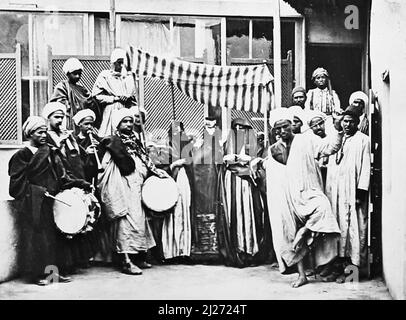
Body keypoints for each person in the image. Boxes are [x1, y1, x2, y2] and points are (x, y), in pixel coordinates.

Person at [252, 107, 343, 287]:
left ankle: (307, 231)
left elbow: (330, 147)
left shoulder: (306, 140)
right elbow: (273, 172)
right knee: (289, 232)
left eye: (285, 126)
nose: (282, 131)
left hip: (307, 192)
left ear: (291, 125)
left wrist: (338, 130)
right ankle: (302, 275)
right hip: (286, 198)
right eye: (278, 129)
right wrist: (258, 163)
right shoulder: (273, 150)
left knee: (323, 207)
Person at [8, 116, 91, 285]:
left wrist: (81, 183)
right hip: (34, 204)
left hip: (53, 201)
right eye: (39, 132)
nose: (44, 135)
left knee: (54, 239)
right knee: (37, 240)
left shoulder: (51, 152)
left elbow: (62, 176)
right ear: (30, 134)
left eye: (45, 131)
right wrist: (38, 191)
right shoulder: (21, 156)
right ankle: (37, 275)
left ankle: (53, 274)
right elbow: (16, 186)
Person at [97, 108, 168, 275]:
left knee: (139, 218)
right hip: (122, 183)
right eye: (125, 122)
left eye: (130, 121)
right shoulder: (112, 141)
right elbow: (106, 166)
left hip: (136, 183)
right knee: (125, 219)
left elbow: (144, 158)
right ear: (117, 124)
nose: (129, 124)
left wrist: (157, 171)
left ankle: (138, 256)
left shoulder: (134, 139)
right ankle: (125, 260)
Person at [325, 105, 371, 283]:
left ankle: (353, 273)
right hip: (337, 192)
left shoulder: (363, 140)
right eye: (345, 121)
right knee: (339, 231)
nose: (347, 125)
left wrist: (360, 193)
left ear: (357, 124)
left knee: (354, 231)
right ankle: (339, 269)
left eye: (351, 122)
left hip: (353, 192)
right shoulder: (338, 139)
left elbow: (365, 167)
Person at [218, 118, 270, 267]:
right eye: (237, 127)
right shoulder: (229, 141)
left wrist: (248, 160)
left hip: (247, 183)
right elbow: (222, 159)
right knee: (234, 215)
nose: (239, 130)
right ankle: (236, 250)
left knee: (248, 216)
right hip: (232, 181)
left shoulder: (252, 141)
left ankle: (250, 251)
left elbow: (258, 159)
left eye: (243, 128)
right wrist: (228, 159)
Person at [189, 116, 223, 261]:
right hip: (200, 186)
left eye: (212, 128)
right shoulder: (197, 147)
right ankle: (202, 249)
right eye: (207, 128)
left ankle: (214, 249)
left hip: (213, 185)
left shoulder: (219, 148)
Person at [161, 121, 193, 262]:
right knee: (171, 214)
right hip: (170, 179)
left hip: (183, 178)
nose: (177, 133)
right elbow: (161, 166)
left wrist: (184, 161)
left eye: (179, 130)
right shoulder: (165, 146)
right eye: (174, 130)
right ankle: (170, 252)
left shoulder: (186, 145)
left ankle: (183, 251)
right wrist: (174, 164)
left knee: (183, 210)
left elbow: (190, 162)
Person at [92, 48, 138, 137]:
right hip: (111, 109)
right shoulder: (105, 76)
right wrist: (114, 98)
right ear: (113, 63)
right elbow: (97, 96)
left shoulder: (129, 77)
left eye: (123, 63)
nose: (121, 66)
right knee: (109, 134)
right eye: (119, 62)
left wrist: (128, 97)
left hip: (125, 109)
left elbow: (134, 98)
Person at [50, 58, 96, 131]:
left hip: (82, 123)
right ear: (68, 73)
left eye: (79, 74)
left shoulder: (82, 89)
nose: (77, 76)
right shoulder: (62, 87)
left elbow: (90, 103)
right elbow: (58, 105)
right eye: (75, 74)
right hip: (69, 121)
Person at [43, 101, 85, 181]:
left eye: (62, 117)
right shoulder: (45, 135)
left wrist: (72, 141)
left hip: (72, 171)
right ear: (48, 118)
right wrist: (60, 142)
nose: (60, 120)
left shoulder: (65, 133)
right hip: (57, 173)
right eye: (56, 117)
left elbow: (76, 154)